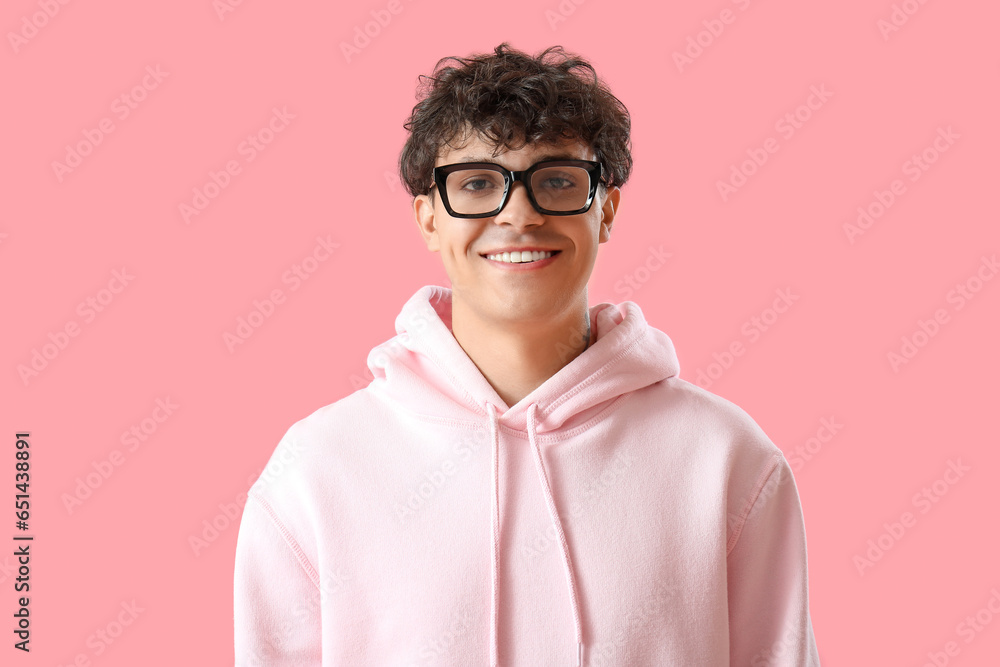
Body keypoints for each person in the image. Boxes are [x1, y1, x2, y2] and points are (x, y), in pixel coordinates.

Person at [234, 42, 820, 666]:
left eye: (558, 181)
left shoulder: (725, 458)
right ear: (429, 217)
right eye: (479, 183)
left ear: (607, 208)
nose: (518, 214)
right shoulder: (317, 470)